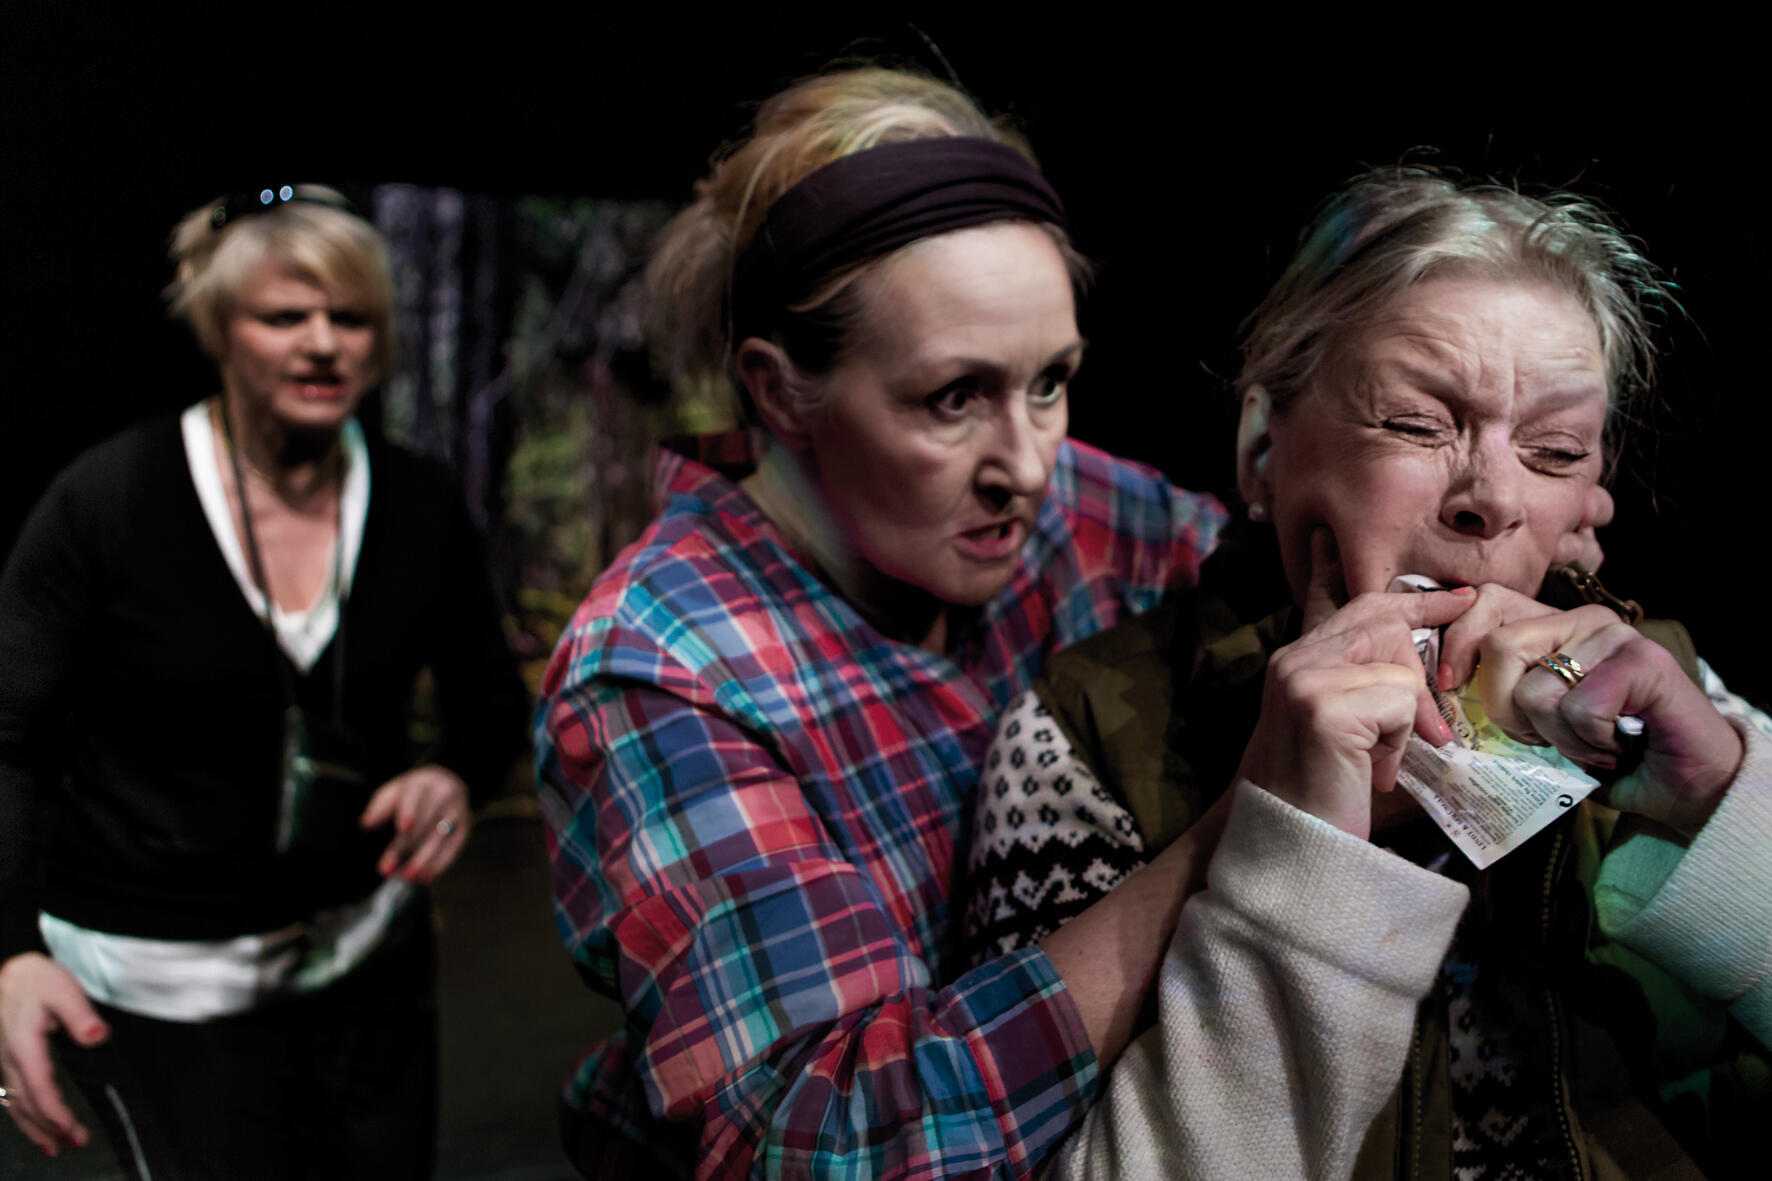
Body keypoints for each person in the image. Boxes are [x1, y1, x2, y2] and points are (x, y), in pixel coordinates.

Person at [966, 169, 1772, 1179]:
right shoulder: (1081, 742)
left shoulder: (1673, 703)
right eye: (1415, 424)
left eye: (1554, 450)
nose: (1490, 497)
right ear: (1262, 450)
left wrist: (1726, 807)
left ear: (1586, 508)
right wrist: (1308, 862)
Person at [532, 67, 1232, 1178]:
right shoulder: (666, 664)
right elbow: (824, 1136)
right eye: (953, 397)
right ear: (779, 391)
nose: (1026, 465)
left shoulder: (1082, 511)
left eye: (1050, 381)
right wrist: (1241, 845)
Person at [0, 185, 529, 1178]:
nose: (322, 343)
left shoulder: (416, 503)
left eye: (350, 318)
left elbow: (492, 696)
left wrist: (453, 774)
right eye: (285, 317)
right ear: (218, 329)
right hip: (155, 978)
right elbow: (11, 741)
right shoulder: (109, 501)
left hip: (361, 955)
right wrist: (7, 953)